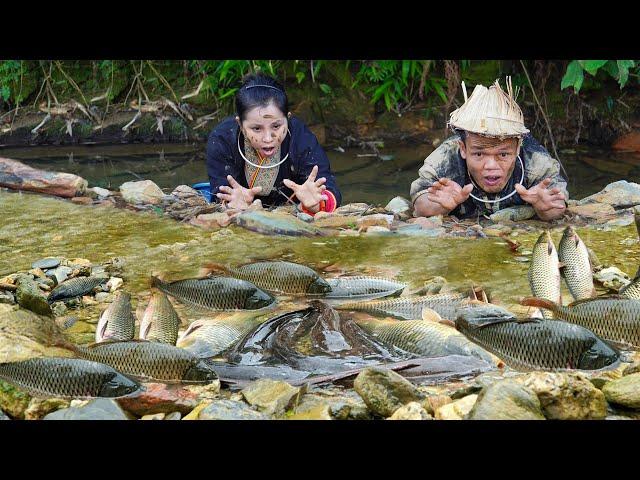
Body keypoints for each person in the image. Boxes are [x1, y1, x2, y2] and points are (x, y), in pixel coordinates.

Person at [410, 78, 568, 221]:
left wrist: (545, 209)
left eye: (503, 154)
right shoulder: (445, 159)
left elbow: (558, 206)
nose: (491, 165)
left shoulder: (535, 160)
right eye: (479, 153)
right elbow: (420, 203)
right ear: (463, 148)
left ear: (518, 148)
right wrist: (440, 206)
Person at [205, 73, 341, 214]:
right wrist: (230, 204)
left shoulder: (300, 137)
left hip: (293, 212)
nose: (268, 138)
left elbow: (328, 189)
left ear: (287, 119)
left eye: (276, 126)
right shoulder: (222, 139)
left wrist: (315, 204)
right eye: (257, 128)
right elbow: (219, 194)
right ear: (240, 124)